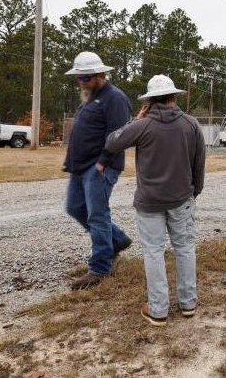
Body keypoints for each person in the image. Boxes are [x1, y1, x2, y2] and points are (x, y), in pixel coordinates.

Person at [104, 74, 206, 326]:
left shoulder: (142, 125)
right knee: (184, 248)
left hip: (149, 202)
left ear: (149, 100)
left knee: (153, 252)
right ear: (173, 96)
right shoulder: (191, 124)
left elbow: (112, 143)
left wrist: (135, 120)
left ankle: (158, 310)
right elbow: (199, 164)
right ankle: (188, 303)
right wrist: (195, 192)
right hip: (182, 199)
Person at [62, 51, 134, 290]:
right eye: (79, 77)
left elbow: (119, 135)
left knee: (97, 215)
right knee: (73, 207)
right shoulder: (90, 97)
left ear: (100, 74)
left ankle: (100, 267)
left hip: (100, 167)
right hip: (80, 167)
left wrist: (102, 161)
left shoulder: (115, 98)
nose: (81, 81)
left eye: (86, 77)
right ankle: (117, 239)